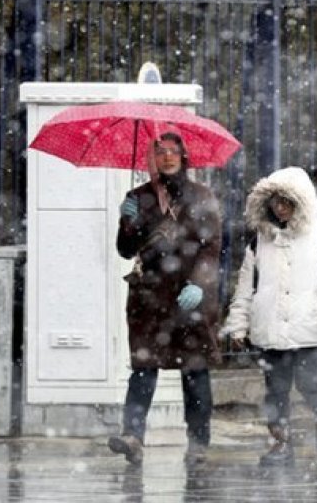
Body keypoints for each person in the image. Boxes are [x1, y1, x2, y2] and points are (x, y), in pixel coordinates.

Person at [221, 166, 317, 467]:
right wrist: (238, 323)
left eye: (287, 201)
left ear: (301, 202)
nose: (280, 207)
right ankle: (280, 445)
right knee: (276, 389)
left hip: (315, 327)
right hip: (270, 329)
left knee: (310, 382)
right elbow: (246, 286)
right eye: (274, 201)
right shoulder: (260, 241)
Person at [109, 132, 223, 467]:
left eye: (174, 152)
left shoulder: (202, 197)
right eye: (160, 152)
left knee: (195, 372)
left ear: (184, 157)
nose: (167, 157)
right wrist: (128, 222)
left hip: (190, 301)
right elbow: (125, 250)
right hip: (149, 297)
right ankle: (133, 437)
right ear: (151, 158)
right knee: (143, 369)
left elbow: (211, 247)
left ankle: (199, 443)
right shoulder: (139, 198)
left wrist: (199, 284)